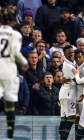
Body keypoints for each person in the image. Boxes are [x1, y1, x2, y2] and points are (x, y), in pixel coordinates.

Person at [0, 9, 28, 140]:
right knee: (10, 104)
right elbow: (16, 52)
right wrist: (24, 61)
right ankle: (10, 136)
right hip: (9, 71)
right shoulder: (15, 35)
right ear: (12, 22)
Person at [59, 45, 76, 140]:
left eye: (72, 52)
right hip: (68, 95)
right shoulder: (68, 66)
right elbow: (77, 80)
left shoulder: (72, 63)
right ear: (64, 54)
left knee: (64, 120)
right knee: (72, 118)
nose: (72, 54)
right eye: (69, 53)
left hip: (66, 94)